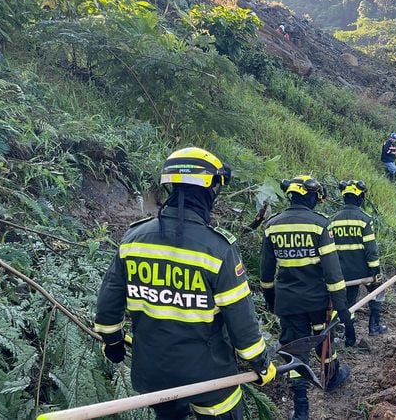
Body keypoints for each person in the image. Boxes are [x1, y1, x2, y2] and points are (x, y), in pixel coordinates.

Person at [95, 147, 274, 420]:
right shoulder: (218, 249)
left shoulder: (133, 240)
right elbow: (242, 322)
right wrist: (261, 364)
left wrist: (112, 342)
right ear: (208, 191)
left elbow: (109, 303)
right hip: (209, 378)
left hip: (154, 374)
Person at [260, 175, 352, 420]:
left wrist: (271, 299)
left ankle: (301, 408)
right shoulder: (320, 224)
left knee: (295, 349)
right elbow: (333, 272)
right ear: (311, 196)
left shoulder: (272, 225)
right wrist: (343, 308)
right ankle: (331, 377)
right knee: (324, 339)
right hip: (318, 302)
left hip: (288, 302)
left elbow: (266, 273)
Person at [328, 180, 388, 338]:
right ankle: (374, 327)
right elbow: (371, 250)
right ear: (360, 197)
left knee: (349, 300)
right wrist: (375, 273)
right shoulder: (364, 219)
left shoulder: (332, 220)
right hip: (362, 271)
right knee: (377, 291)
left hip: (340, 273)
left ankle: (350, 333)